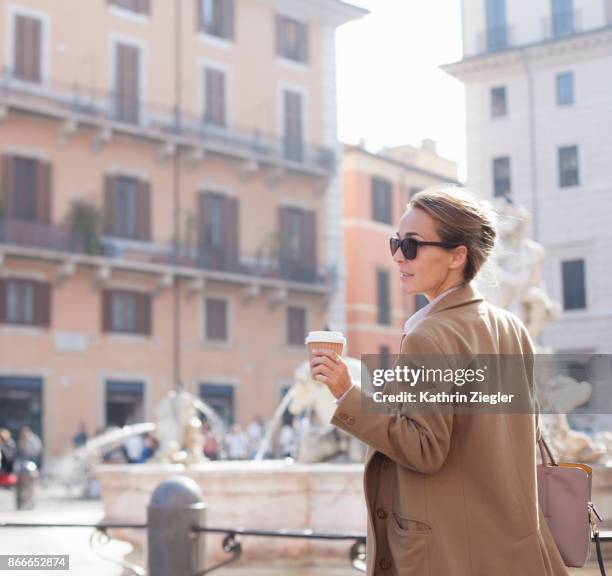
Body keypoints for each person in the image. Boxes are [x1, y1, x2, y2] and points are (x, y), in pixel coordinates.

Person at [311, 185, 569, 575]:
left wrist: (347, 392)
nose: (399, 256)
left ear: (458, 256)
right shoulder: (510, 327)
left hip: (446, 556)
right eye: (396, 243)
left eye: (412, 246)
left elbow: (424, 448)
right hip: (513, 551)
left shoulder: (428, 336)